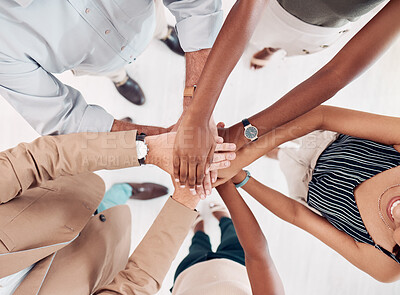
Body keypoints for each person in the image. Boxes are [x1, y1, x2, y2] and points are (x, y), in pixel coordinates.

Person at [172, 0, 400, 193]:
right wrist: (198, 114)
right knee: (260, 34)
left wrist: (242, 134)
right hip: (272, 12)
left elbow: (336, 74)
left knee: (283, 46)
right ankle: (265, 46)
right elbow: (251, 4)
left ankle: (271, 50)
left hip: (320, 34)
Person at [0, 128, 235, 294]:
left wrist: (145, 149)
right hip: (99, 251)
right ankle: (123, 192)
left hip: (62, 200)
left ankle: (123, 188)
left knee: (99, 198)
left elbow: (30, 161)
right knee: (111, 212)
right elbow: (132, 286)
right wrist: (184, 201)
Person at [215, 104, 400, 282]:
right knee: (272, 132)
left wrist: (239, 176)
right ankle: (273, 149)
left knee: (284, 158)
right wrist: (244, 153)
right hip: (324, 137)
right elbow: (321, 117)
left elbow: (297, 215)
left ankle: (277, 153)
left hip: (303, 183)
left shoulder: (385, 265)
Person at [0, 0, 222, 135]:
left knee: (158, 25)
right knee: (111, 70)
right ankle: (120, 78)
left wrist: (197, 102)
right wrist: (166, 138)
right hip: (100, 63)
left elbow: (195, 3)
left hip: (148, 17)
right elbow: (64, 118)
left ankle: (164, 34)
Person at [171, 184, 284, 294]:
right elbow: (259, 257)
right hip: (238, 265)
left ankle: (199, 228)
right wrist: (225, 185)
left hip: (191, 273)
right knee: (232, 234)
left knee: (197, 244)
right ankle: (224, 219)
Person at [249, 0, 385, 69]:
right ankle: (271, 46)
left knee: (297, 42)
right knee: (263, 23)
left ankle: (272, 49)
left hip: (325, 25)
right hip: (282, 7)